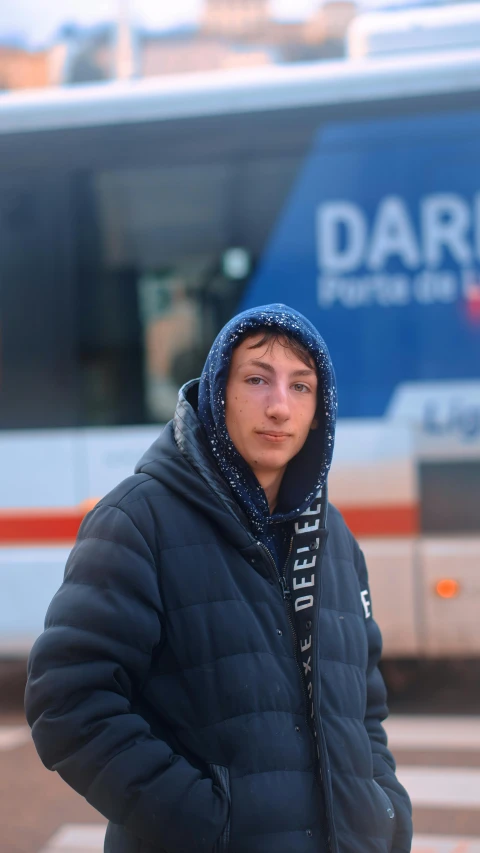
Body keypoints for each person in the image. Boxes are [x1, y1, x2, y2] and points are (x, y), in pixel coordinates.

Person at [25, 304, 412, 853]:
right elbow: (67, 703)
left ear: (319, 410)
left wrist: (385, 814)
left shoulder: (332, 536)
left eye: (301, 387)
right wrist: (209, 826)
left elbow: (363, 707)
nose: (279, 406)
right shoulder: (138, 520)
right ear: (218, 391)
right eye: (257, 379)